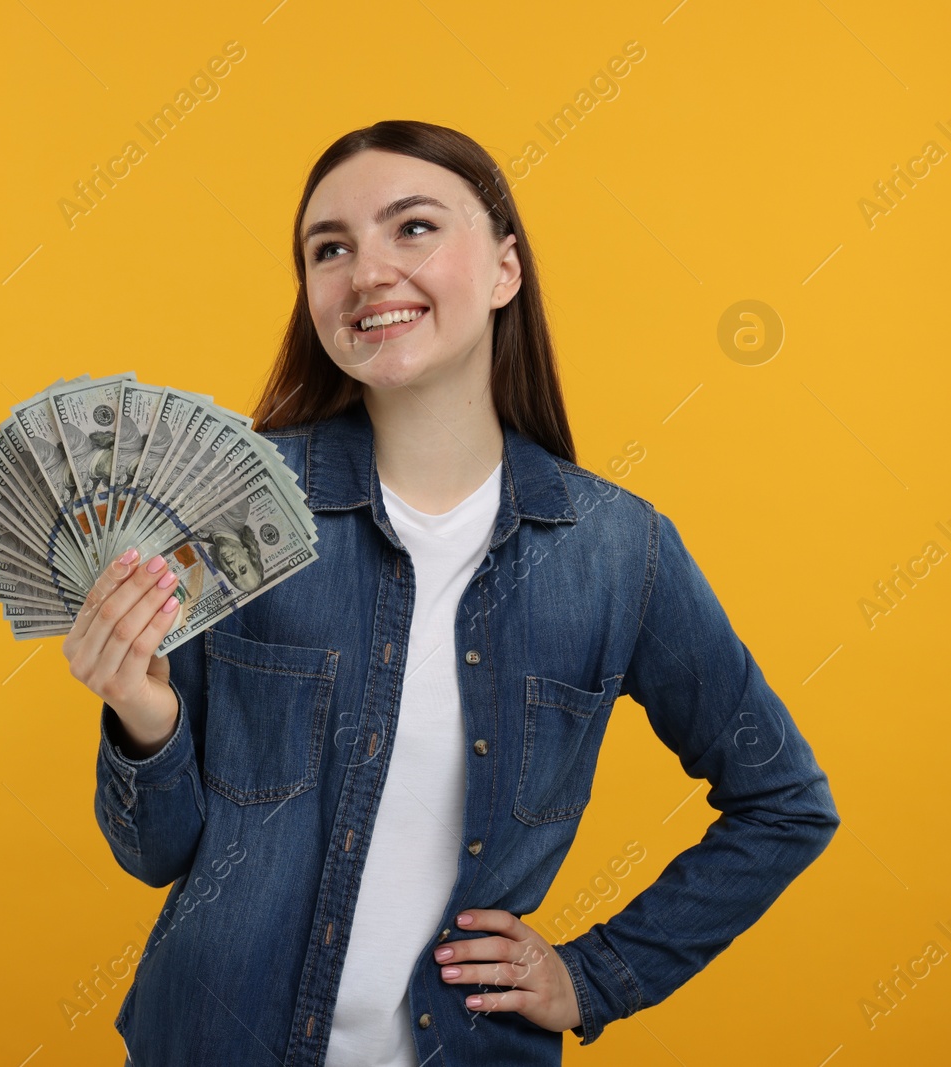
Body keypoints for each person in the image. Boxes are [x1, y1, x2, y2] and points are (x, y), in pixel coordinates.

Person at [61, 120, 839, 1066]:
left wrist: (594, 976)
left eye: (414, 228)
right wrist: (142, 714)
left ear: (506, 268)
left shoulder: (616, 552)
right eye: (330, 249)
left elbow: (784, 801)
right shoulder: (234, 513)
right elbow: (158, 855)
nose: (368, 272)